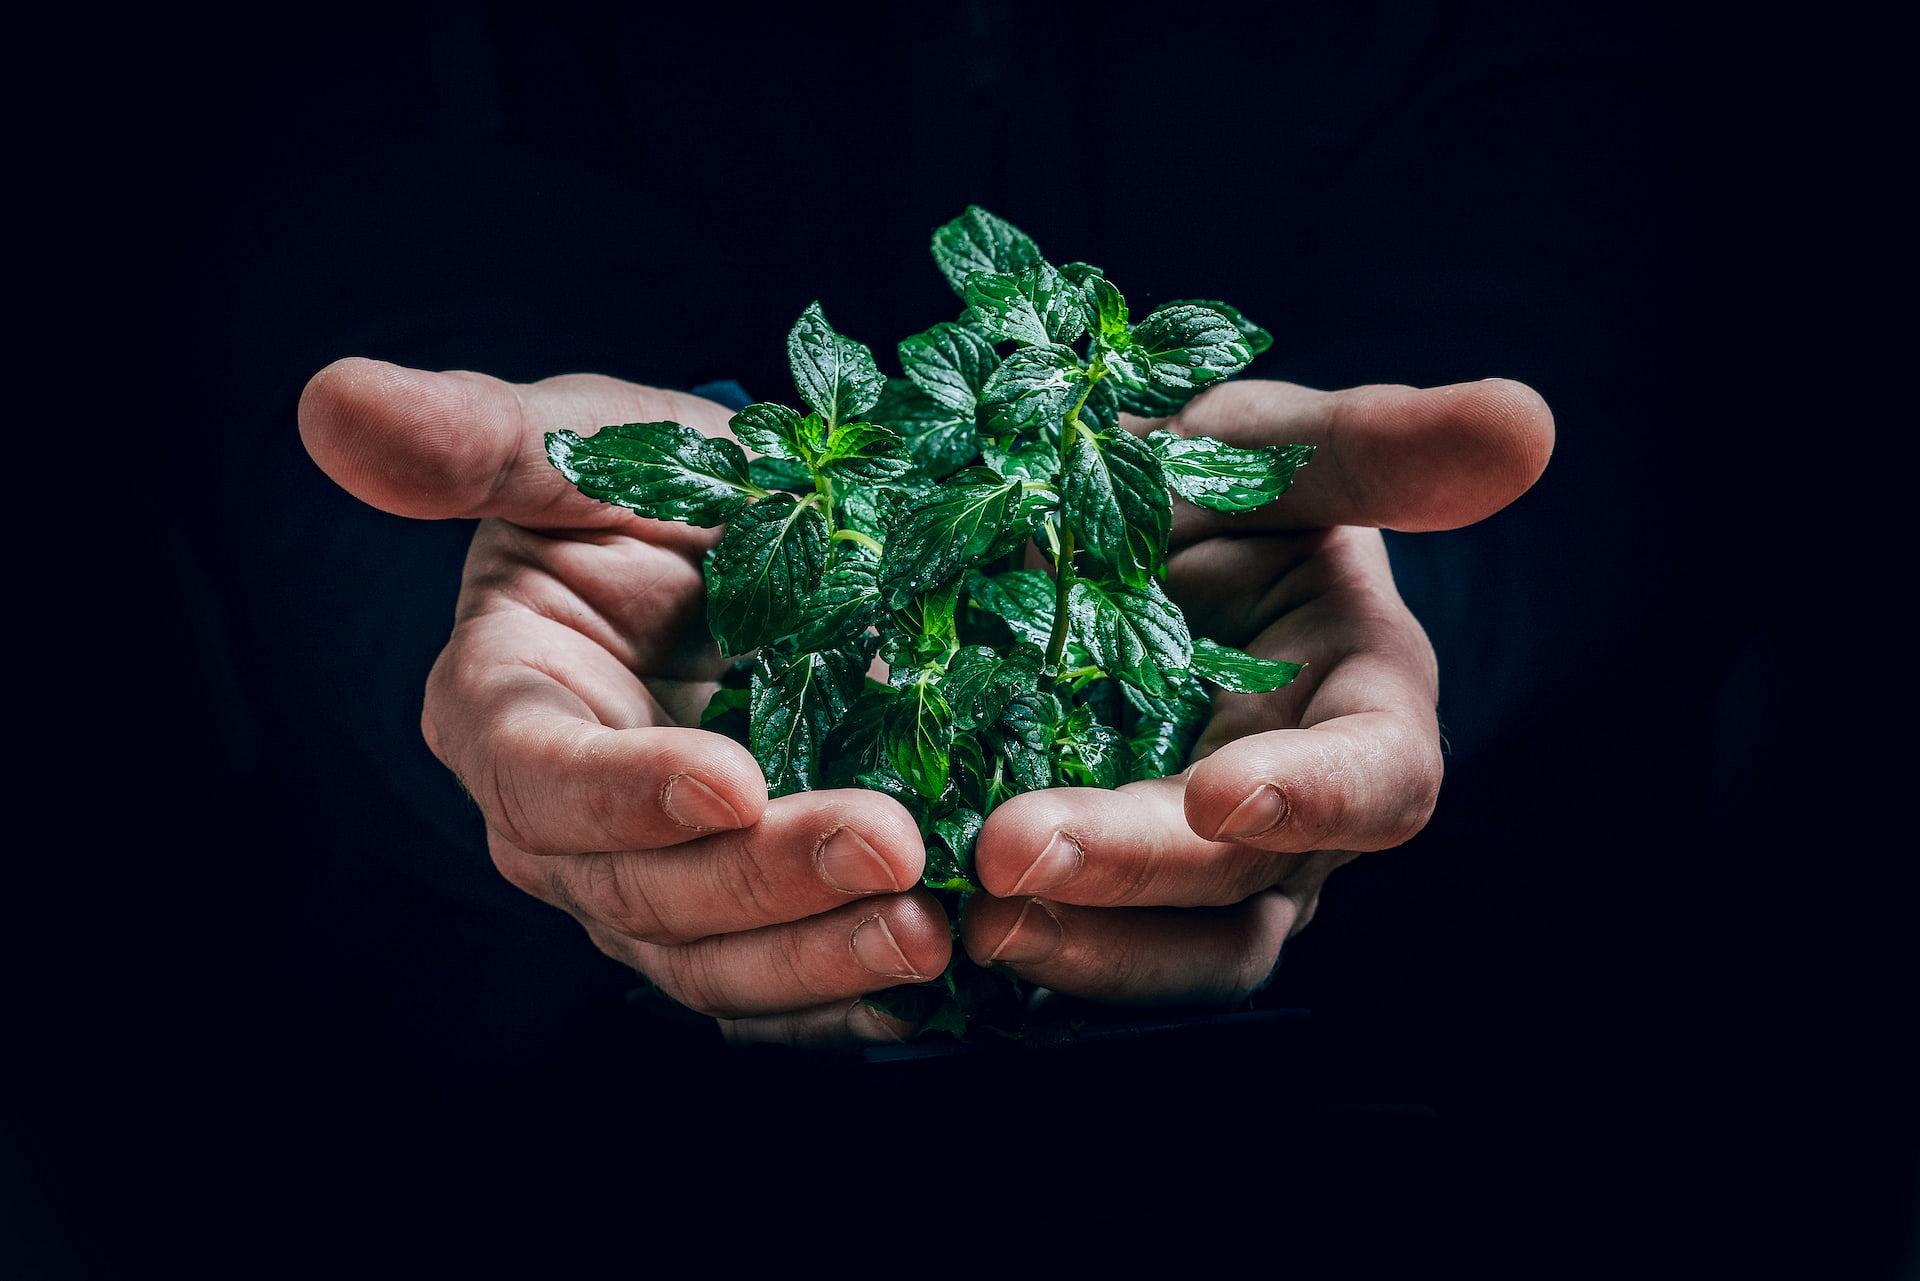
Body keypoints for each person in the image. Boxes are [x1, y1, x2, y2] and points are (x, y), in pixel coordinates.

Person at [298, 356, 1552, 1046]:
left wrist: (1392, 592)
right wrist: (482, 663)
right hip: (517, 1044)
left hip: (1383, 1035)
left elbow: (1606, 330)